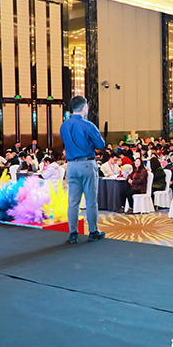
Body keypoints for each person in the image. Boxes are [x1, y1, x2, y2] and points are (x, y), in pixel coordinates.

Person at [61, 96, 106, 244]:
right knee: (91, 201)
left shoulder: (64, 125)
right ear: (84, 108)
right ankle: (93, 232)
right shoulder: (88, 125)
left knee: (73, 201)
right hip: (86, 163)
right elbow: (101, 144)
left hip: (71, 165)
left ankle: (73, 234)